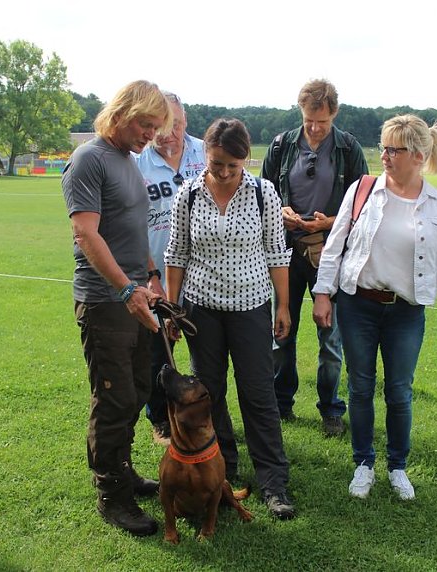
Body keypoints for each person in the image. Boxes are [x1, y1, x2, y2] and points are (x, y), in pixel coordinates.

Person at [313, 114, 437, 501]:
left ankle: (398, 467)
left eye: (393, 149)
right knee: (360, 388)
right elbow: (336, 244)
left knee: (399, 391)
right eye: (383, 147)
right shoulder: (363, 190)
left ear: (417, 155)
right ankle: (363, 463)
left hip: (406, 313)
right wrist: (323, 293)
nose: (384, 156)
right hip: (357, 305)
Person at [164, 118, 296, 519]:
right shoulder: (187, 194)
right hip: (201, 308)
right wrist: (172, 309)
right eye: (217, 163)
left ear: (246, 160)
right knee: (210, 396)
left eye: (232, 166)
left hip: (252, 307)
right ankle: (221, 478)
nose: (223, 172)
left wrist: (284, 305)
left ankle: (274, 483)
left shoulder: (263, 193)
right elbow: (176, 254)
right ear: (205, 154)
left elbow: (276, 252)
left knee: (258, 395)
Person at [61, 80, 172, 536]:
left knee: (139, 389)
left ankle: (122, 471)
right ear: (123, 112)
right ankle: (112, 494)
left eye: (155, 127)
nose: (151, 134)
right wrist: (127, 291)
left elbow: (134, 228)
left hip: (135, 294)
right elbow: (86, 235)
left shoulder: (127, 160)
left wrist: (150, 276)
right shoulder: (89, 159)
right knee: (114, 397)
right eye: (145, 124)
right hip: (106, 301)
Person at [261, 79, 369, 436]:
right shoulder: (281, 146)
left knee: (330, 336)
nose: (314, 127)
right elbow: (263, 196)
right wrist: (282, 210)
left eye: (321, 121)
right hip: (286, 250)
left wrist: (331, 221)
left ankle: (331, 409)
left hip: (330, 252)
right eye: (308, 119)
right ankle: (280, 403)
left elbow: (363, 204)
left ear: (334, 113)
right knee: (282, 330)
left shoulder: (348, 148)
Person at [134, 91, 206, 444]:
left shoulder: (206, 153)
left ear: (185, 122)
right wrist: (152, 275)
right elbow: (132, 224)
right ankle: (161, 417)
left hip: (204, 273)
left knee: (204, 346)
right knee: (158, 349)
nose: (168, 133)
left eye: (175, 124)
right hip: (157, 274)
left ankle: (204, 412)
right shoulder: (138, 162)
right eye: (161, 125)